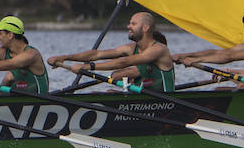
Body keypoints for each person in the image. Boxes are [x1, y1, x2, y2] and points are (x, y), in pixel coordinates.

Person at [47, 12, 175, 90]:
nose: (128, 26)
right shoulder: (130, 48)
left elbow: (123, 62)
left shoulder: (159, 49)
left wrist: (87, 67)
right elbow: (96, 54)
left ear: (145, 27)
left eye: (133, 24)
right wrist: (64, 57)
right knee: (104, 93)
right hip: (142, 99)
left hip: (163, 102)